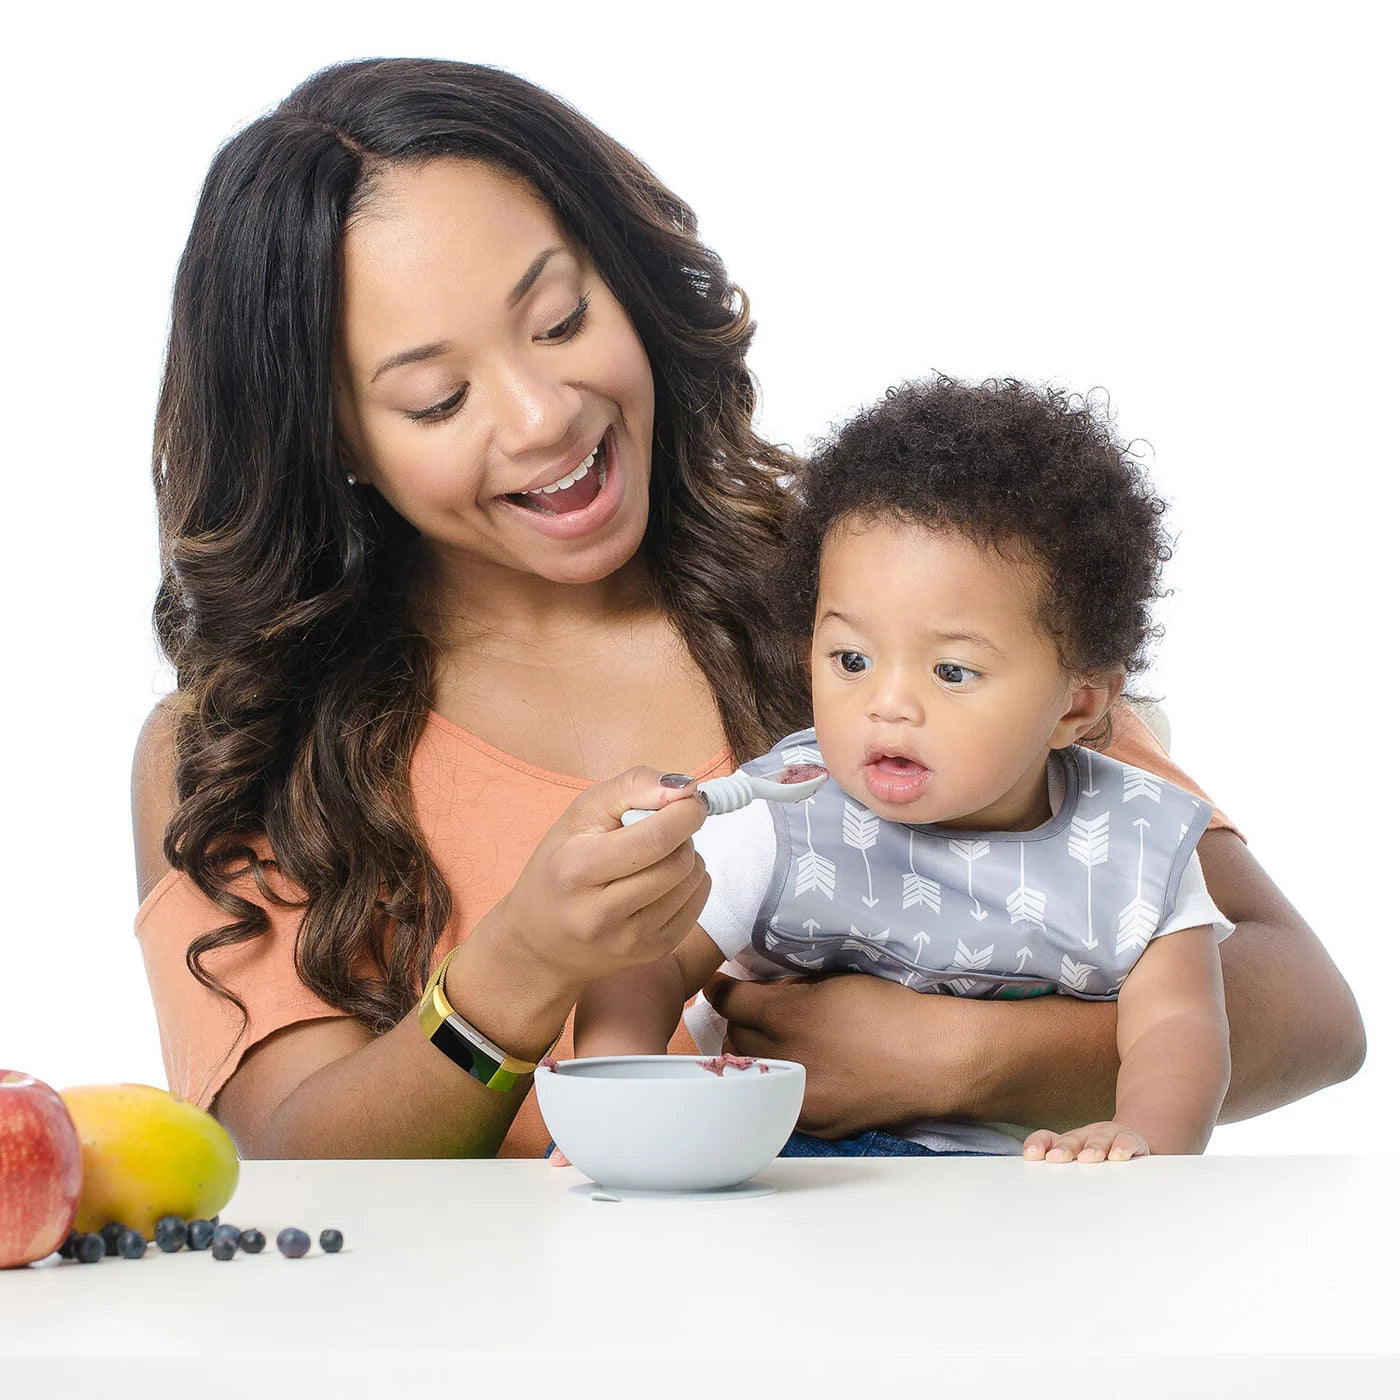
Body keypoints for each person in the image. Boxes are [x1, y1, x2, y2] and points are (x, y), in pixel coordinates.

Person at [131, 57, 1363, 1161]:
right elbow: (278, 1160)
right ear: (333, 437)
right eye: (438, 398)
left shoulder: (871, 602)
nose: (542, 414)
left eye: (560, 318)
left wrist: (958, 1056)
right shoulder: (240, 747)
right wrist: (515, 969)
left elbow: (1305, 1008)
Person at [573, 377, 1234, 1161]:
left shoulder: (1138, 844)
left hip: (1017, 1187)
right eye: (852, 658)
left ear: (1077, 704)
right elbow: (641, 963)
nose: (888, 705)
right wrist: (614, 1108)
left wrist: (1144, 1138)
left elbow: (1180, 1025)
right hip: (794, 1173)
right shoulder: (782, 814)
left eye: (952, 672)